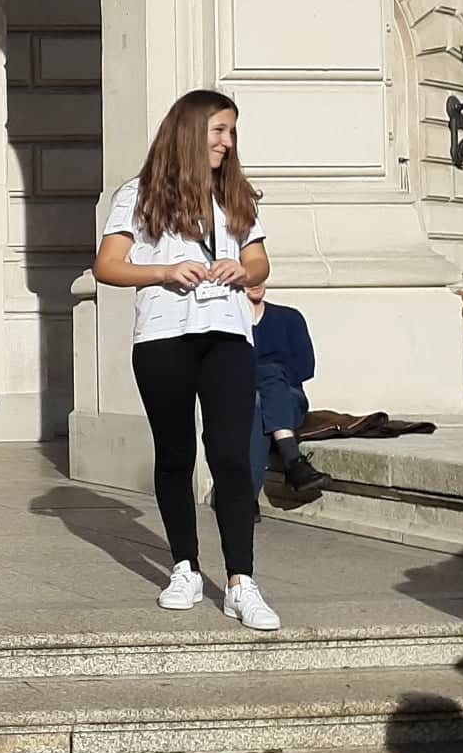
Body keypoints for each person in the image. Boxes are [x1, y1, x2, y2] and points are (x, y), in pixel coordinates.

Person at [92, 89, 280, 631]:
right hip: (163, 335)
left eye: (232, 132)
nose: (227, 142)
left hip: (228, 335)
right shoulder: (139, 193)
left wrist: (244, 271)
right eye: (219, 130)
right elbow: (108, 265)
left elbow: (260, 261)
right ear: (191, 131)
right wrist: (164, 271)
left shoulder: (235, 194)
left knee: (230, 454)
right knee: (175, 453)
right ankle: (185, 568)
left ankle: (241, 582)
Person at [249, 282, 332, 495]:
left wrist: (271, 377)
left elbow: (306, 366)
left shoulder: (289, 317)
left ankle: (245, 500)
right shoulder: (231, 325)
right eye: (247, 279)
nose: (255, 284)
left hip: (289, 398)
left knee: (268, 382)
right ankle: (293, 460)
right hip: (246, 400)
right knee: (256, 403)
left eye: (259, 277)